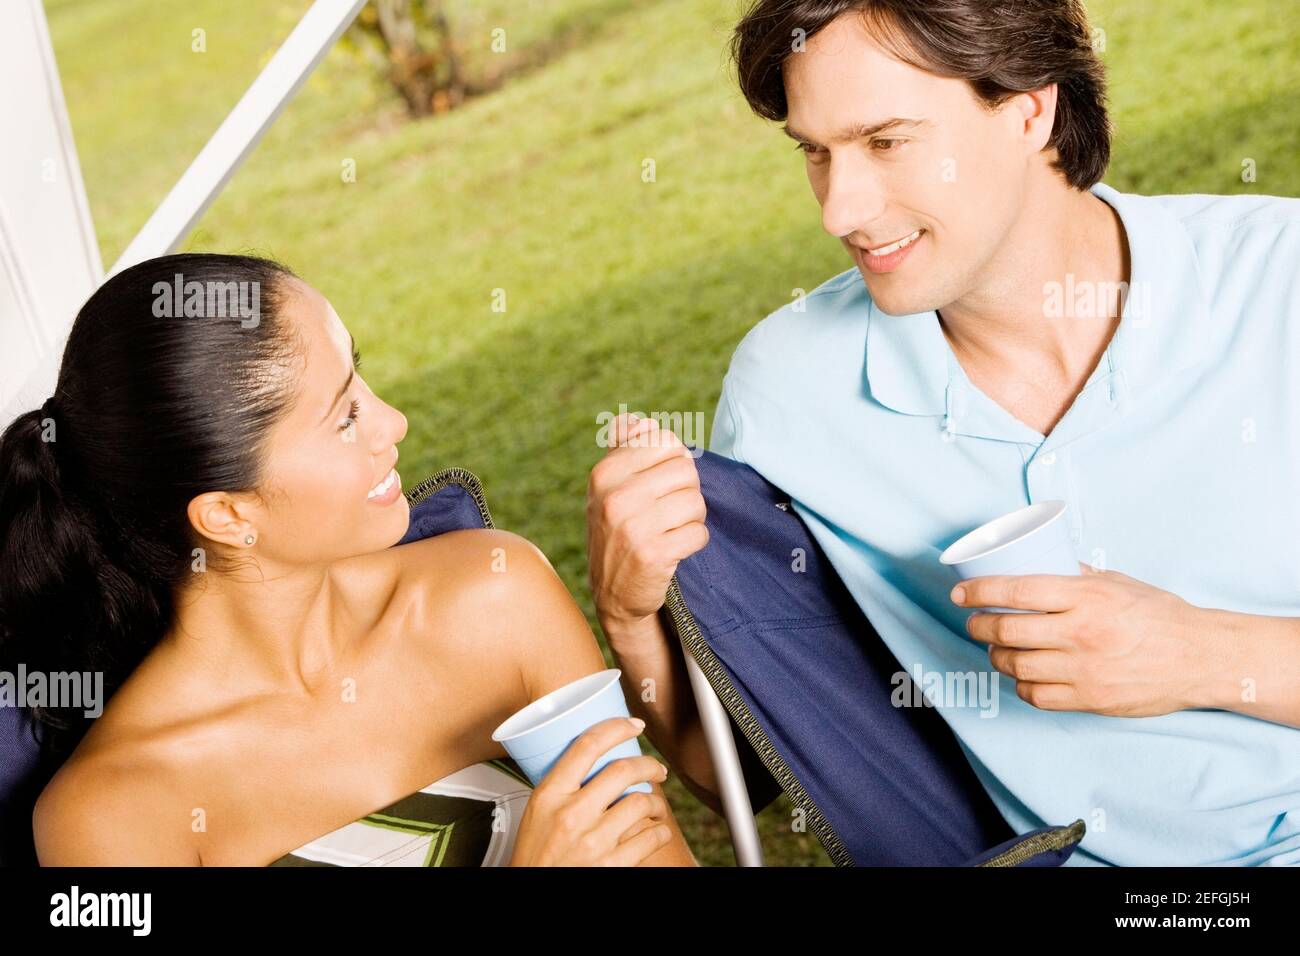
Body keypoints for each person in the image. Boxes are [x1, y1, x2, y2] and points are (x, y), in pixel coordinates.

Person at [587, 0, 1300, 866]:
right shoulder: (788, 396)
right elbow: (739, 770)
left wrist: (1206, 655)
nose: (839, 209)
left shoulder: (1278, 284)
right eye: (816, 151)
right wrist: (631, 618)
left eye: (886, 142)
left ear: (1030, 108)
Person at [0, 253, 696, 866]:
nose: (393, 423)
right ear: (228, 515)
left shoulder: (496, 599)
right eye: (343, 418)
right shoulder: (113, 814)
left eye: (358, 379)